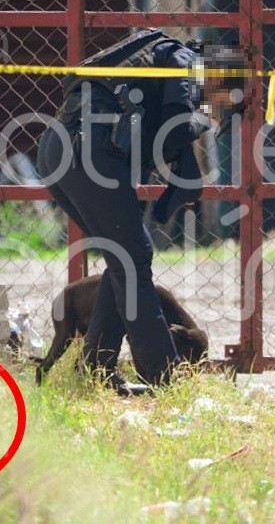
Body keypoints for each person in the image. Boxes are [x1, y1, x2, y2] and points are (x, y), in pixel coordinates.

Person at [37, 29, 247, 395]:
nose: (219, 110)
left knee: (125, 259)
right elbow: (177, 128)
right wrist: (208, 119)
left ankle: (97, 370)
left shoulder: (167, 61)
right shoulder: (184, 63)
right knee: (134, 258)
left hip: (61, 147)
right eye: (225, 100)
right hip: (86, 150)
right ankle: (163, 374)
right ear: (218, 78)